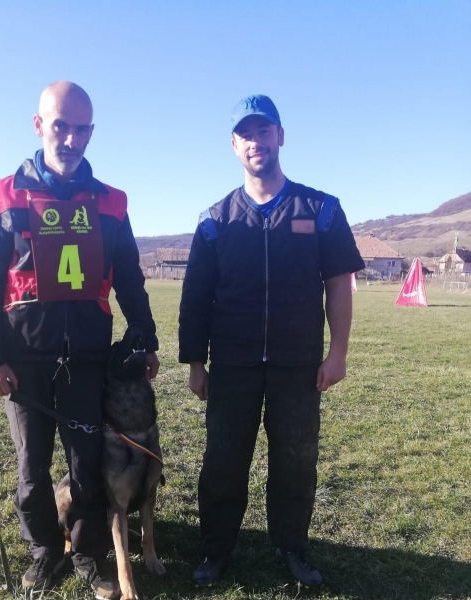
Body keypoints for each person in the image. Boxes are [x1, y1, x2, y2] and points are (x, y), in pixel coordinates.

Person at [0, 81, 159, 599]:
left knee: (86, 463)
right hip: (22, 359)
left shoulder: (111, 203)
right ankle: (45, 552)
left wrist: (146, 338)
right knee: (32, 467)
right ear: (39, 125)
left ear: (91, 131)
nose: (71, 139)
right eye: (61, 126)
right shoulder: (2, 195)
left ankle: (91, 554)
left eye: (81, 129)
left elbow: (129, 278)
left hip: (86, 358)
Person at [178, 94, 364, 588]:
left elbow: (338, 284)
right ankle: (215, 549)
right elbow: (196, 296)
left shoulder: (321, 209)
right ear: (233, 145)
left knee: (296, 461)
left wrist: (338, 353)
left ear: (280, 136)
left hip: (297, 364)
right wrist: (196, 363)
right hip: (232, 364)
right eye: (246, 134)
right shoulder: (215, 219)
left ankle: (292, 547)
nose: (256, 141)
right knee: (223, 460)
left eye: (264, 130)